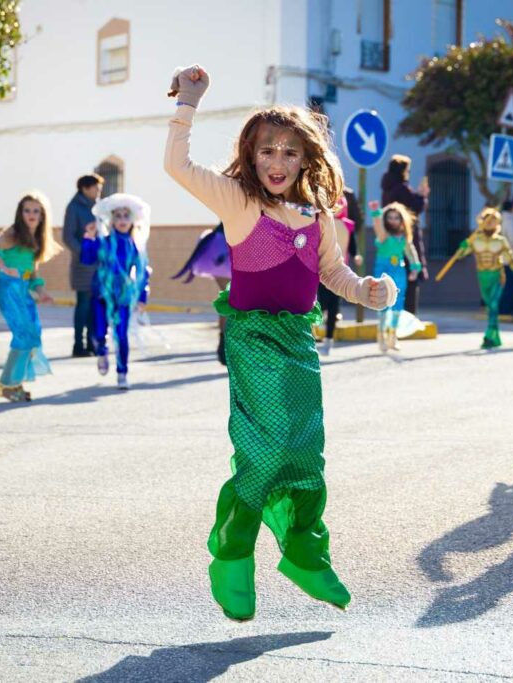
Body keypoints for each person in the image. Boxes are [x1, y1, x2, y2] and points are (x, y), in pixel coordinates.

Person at [165, 64, 397, 620]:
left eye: (290, 152)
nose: (277, 161)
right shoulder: (238, 201)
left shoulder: (318, 215)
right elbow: (177, 165)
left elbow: (333, 273)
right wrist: (188, 102)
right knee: (266, 450)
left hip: (298, 341)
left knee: (304, 452)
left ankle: (304, 554)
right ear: (251, 155)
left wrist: (367, 291)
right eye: (267, 150)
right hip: (254, 338)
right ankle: (233, 556)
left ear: (305, 159)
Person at [0, 192, 59, 402]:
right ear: (20, 213)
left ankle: (11, 383)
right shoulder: (14, 233)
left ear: (42, 215)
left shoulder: (36, 238)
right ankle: (8, 384)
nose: (31, 215)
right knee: (23, 334)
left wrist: (42, 292)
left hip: (23, 288)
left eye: (36, 211)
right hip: (8, 287)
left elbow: (32, 272)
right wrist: (2, 265)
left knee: (32, 333)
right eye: (27, 210)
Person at [82, 193, 152, 390]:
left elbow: (143, 273)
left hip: (123, 296)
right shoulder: (103, 242)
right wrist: (88, 237)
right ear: (111, 220)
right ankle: (101, 351)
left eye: (126, 216)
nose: (122, 220)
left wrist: (142, 296)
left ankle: (122, 373)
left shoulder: (134, 246)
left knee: (121, 335)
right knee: (98, 332)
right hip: (101, 294)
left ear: (132, 220)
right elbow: (86, 259)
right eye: (118, 216)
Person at [442, 208, 513, 349]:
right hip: (482, 276)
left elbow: (511, 260)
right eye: (487, 220)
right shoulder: (475, 240)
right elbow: (461, 255)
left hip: (497, 276)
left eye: (493, 220)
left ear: (497, 223)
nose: (490, 223)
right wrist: (462, 247)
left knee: (494, 305)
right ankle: (495, 336)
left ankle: (488, 335)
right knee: (490, 307)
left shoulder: (501, 241)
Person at [172, 221, 231, 364]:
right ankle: (227, 345)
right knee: (232, 300)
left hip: (221, 252)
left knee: (229, 300)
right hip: (227, 252)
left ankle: (225, 344)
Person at [370, 200, 421, 352]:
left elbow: (411, 252)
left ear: (401, 219)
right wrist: (376, 214)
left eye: (396, 217)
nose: (393, 220)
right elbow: (378, 229)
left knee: (398, 303)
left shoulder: (403, 237)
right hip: (383, 271)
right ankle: (381, 335)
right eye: (390, 217)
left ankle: (393, 336)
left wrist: (415, 268)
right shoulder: (384, 235)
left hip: (399, 271)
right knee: (383, 302)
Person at [381, 154, 429, 315]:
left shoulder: (387, 188)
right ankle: (407, 318)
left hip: (390, 244)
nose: (408, 173)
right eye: (407, 170)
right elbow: (415, 208)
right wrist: (422, 196)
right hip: (405, 241)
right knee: (410, 281)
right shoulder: (401, 189)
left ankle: (393, 317)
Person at [316, 189, 362, 356]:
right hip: (320, 270)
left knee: (334, 304)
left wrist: (356, 255)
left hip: (339, 271)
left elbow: (353, 246)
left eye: (339, 204)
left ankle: (329, 339)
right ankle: (322, 319)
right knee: (321, 302)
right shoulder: (322, 222)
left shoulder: (348, 225)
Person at [62, 174, 103, 357]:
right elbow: (68, 236)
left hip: (98, 264)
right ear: (85, 188)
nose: (99, 192)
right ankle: (78, 345)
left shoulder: (98, 207)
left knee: (95, 306)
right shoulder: (74, 207)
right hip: (82, 265)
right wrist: (84, 252)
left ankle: (92, 343)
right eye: (96, 188)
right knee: (83, 305)